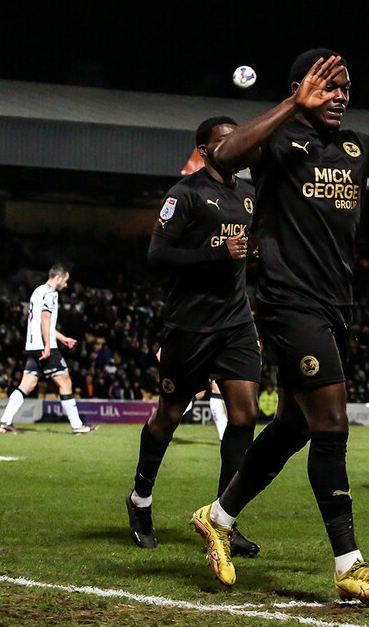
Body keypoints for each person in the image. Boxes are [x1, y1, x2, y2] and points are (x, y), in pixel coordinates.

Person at [189, 49, 369, 603]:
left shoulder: (360, 146)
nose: (339, 96)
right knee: (331, 422)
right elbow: (226, 156)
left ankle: (218, 517)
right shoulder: (277, 140)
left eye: (345, 87)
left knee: (294, 426)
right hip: (289, 301)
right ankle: (349, 564)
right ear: (300, 87)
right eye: (328, 86)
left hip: (338, 304)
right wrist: (292, 105)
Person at [126, 116, 261, 559]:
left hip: (236, 322)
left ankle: (224, 521)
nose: (237, 145)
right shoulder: (183, 194)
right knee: (169, 415)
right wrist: (217, 253)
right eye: (226, 140)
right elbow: (158, 257)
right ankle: (140, 500)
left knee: (245, 414)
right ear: (204, 150)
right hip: (190, 325)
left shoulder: (249, 194)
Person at [0, 264, 96, 435]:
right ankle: (77, 426)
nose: (66, 284)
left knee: (27, 385)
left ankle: (5, 422)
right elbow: (45, 318)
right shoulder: (51, 293)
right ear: (59, 277)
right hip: (44, 346)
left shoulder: (37, 291)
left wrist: (62, 338)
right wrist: (48, 345)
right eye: (65, 280)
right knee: (65, 382)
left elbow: (41, 322)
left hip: (33, 345)